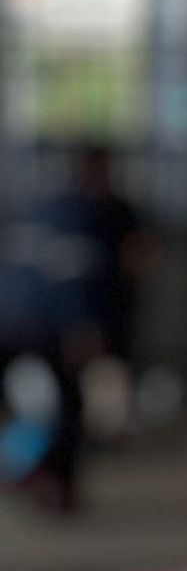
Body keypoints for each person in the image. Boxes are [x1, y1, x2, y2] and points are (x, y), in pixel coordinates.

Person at [0, 141, 145, 511]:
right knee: (66, 405)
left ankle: (33, 471)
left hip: (15, 319)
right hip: (46, 324)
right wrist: (81, 326)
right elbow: (72, 275)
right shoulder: (86, 216)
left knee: (40, 403)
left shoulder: (40, 208)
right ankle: (50, 480)